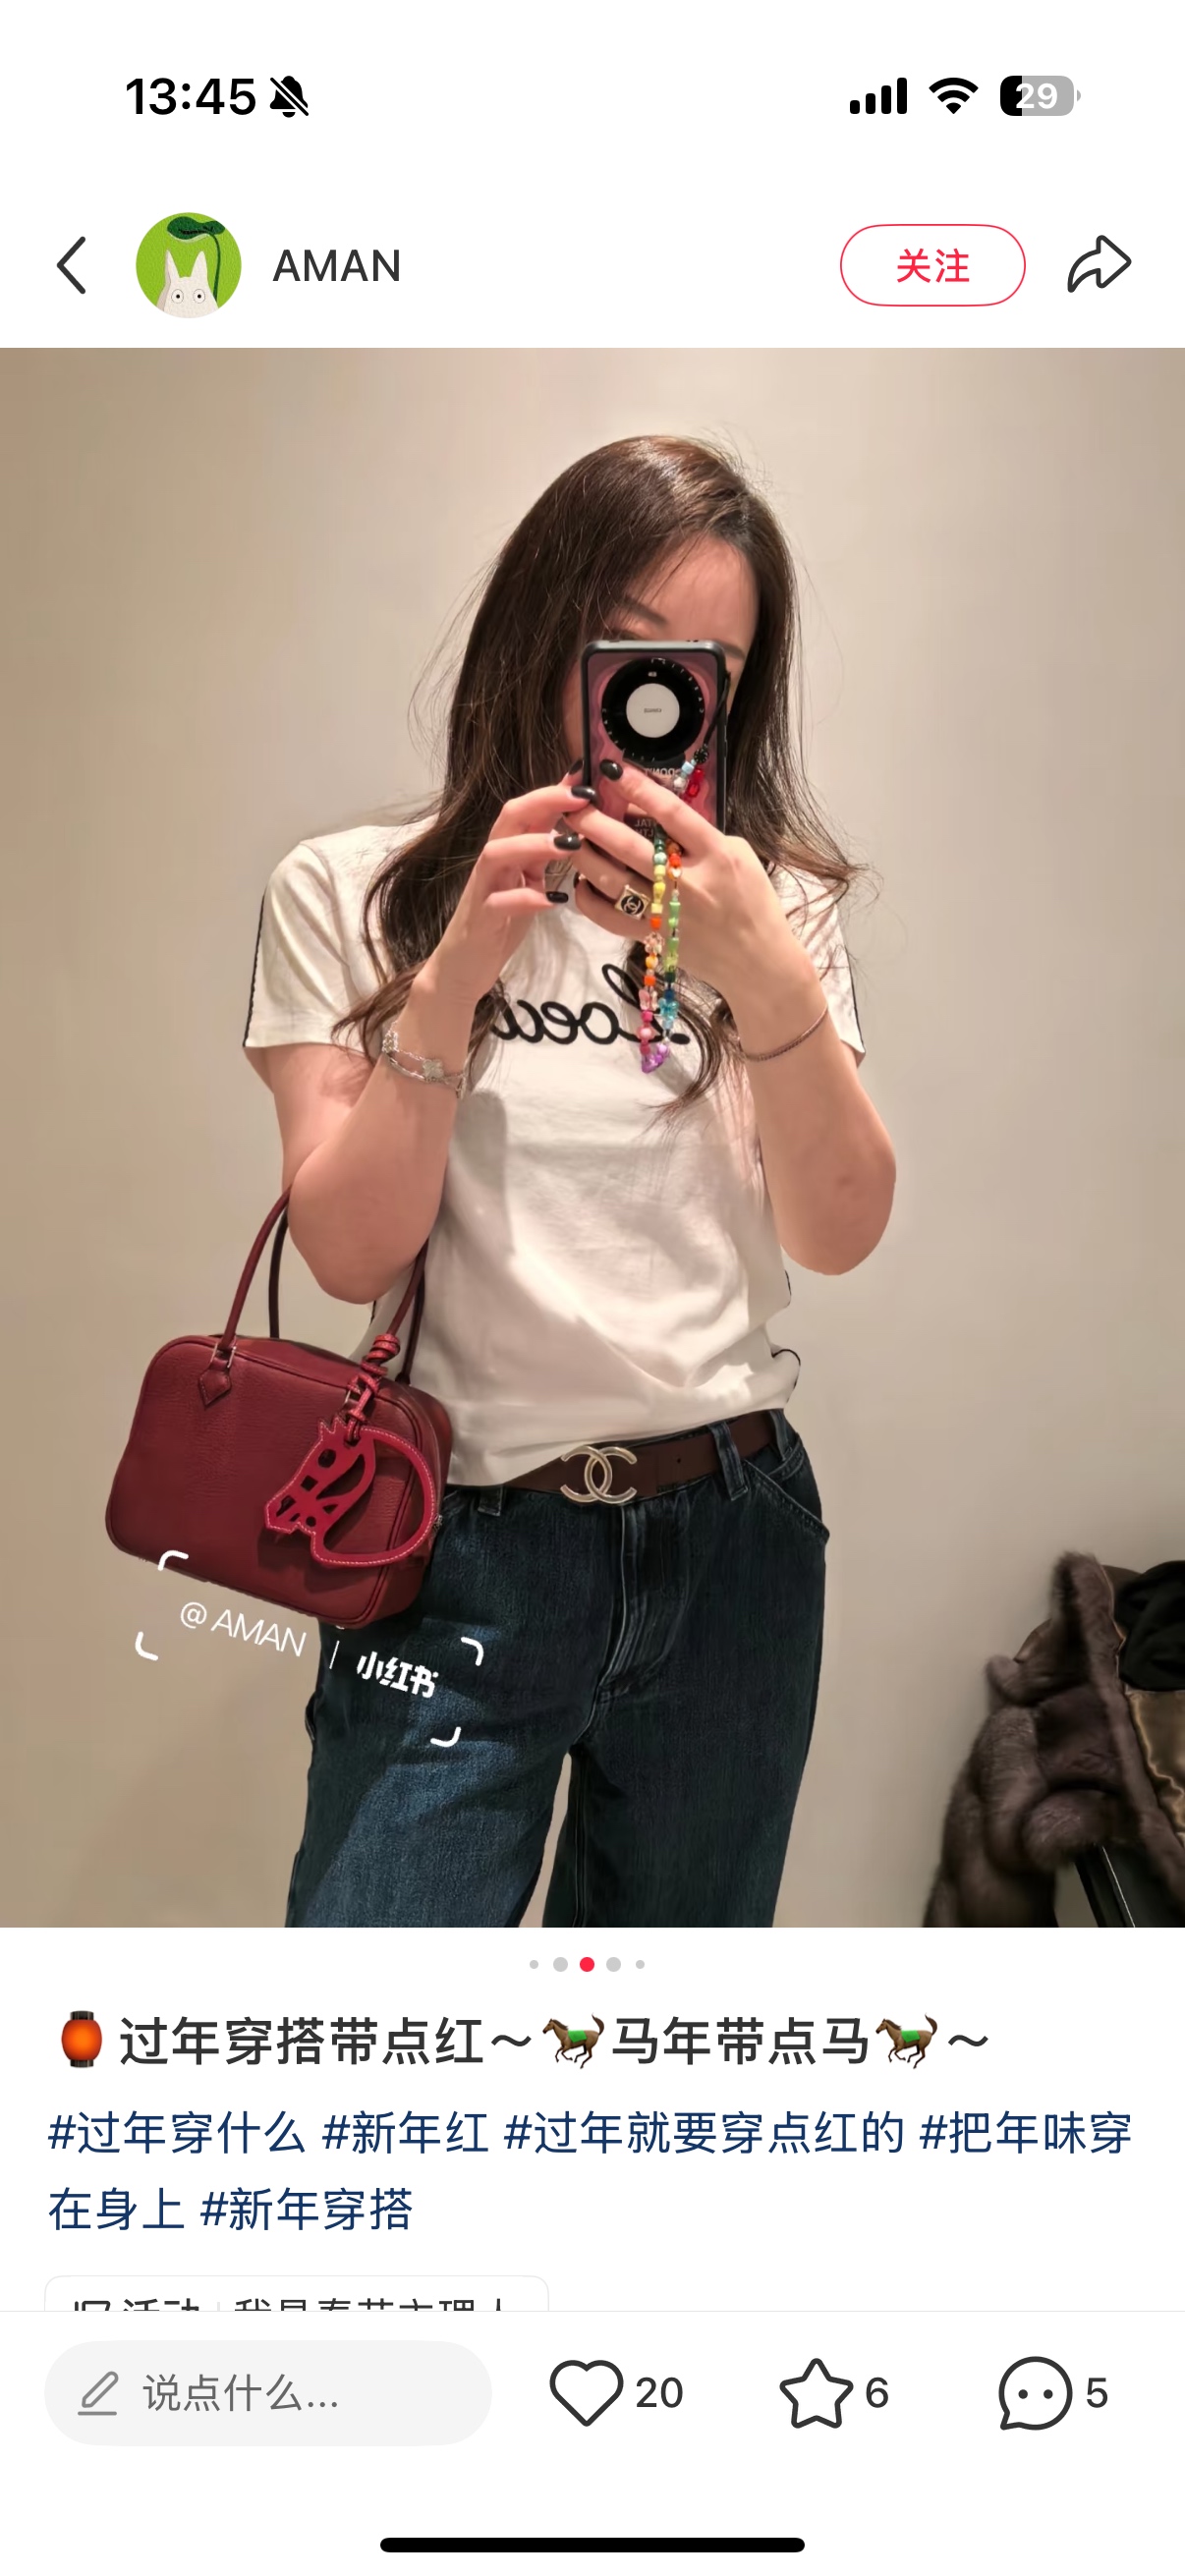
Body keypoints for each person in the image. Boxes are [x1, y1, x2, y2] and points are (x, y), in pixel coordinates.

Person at [244, 433, 896, 1928]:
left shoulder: (770, 907)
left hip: (729, 1538)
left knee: (656, 2022)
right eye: (629, 647)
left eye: (710, 667)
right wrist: (453, 977)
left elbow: (840, 1229)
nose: (661, 698)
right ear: (543, 628)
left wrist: (762, 976)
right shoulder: (351, 891)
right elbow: (347, 1254)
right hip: (456, 1542)